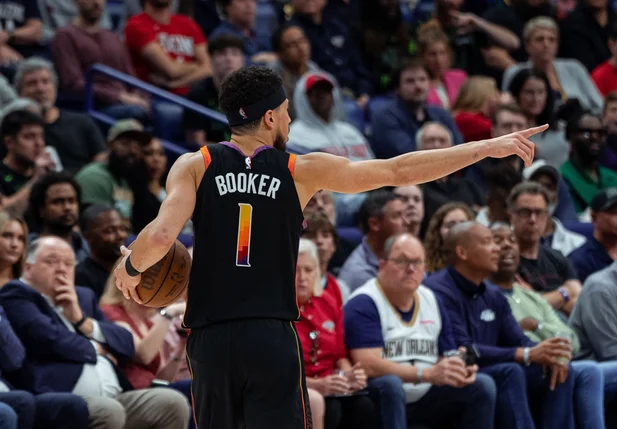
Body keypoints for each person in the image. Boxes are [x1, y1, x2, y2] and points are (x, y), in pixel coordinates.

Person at [113, 65, 540, 429]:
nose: (289, 122)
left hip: (210, 338)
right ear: (268, 119)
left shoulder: (194, 165)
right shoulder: (301, 170)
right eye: (284, 113)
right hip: (271, 334)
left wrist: (131, 271)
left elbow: (160, 237)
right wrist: (486, 147)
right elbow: (399, 170)